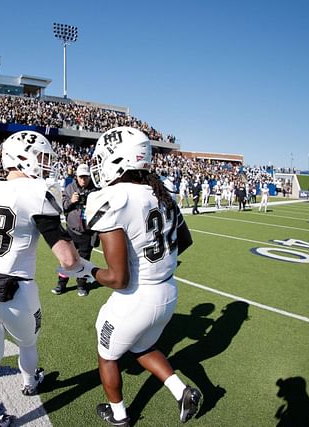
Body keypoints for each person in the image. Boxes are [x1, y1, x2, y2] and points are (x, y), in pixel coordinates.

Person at [62, 126, 201, 426]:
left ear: (118, 158)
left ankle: (120, 415)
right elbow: (185, 241)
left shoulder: (114, 196)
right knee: (142, 346)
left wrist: (84, 269)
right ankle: (182, 392)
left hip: (136, 297)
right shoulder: (159, 192)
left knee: (107, 355)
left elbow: (118, 279)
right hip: (168, 292)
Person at [0, 130, 90, 427]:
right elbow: (68, 260)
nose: (46, 164)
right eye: (42, 157)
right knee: (28, 344)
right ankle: (30, 382)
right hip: (18, 291)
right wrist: (90, 271)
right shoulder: (35, 193)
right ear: (23, 157)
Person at [52, 163, 98, 297]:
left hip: (87, 233)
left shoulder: (96, 190)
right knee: (66, 260)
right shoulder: (69, 188)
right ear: (76, 176)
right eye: (81, 177)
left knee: (83, 261)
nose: (84, 179)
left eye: (86, 177)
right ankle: (61, 284)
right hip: (71, 230)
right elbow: (62, 207)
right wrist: (71, 201)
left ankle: (82, 285)